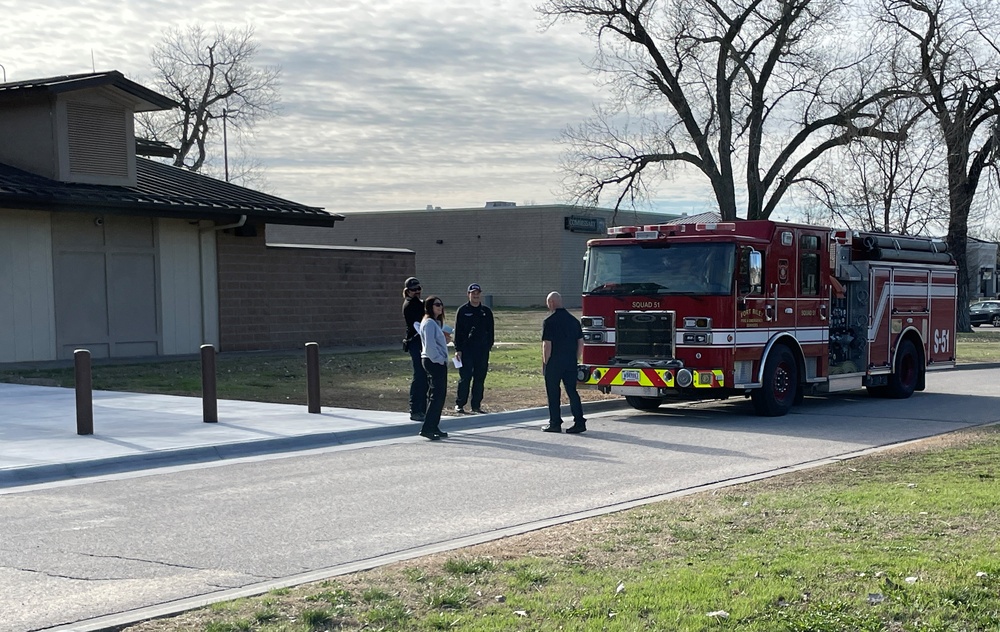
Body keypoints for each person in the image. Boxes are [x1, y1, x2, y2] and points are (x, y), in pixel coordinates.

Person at [540, 291, 586, 434]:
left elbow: (547, 345)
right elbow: (581, 343)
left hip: (554, 361)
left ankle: (555, 423)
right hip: (570, 361)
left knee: (553, 392)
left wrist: (545, 362)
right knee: (572, 391)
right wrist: (576, 358)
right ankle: (579, 422)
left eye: (548, 303)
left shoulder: (549, 321)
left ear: (552, 303)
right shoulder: (574, 321)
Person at [454, 283, 495, 414]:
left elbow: (491, 331)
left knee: (480, 377)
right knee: (465, 377)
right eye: (473, 293)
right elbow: (458, 331)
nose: (475, 295)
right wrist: (458, 348)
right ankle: (460, 404)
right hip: (466, 350)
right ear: (468, 294)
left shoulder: (486, 312)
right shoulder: (463, 310)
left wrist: (488, 345)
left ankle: (476, 405)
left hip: (482, 350)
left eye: (477, 293)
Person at [419, 295, 449, 440]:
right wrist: (440, 359)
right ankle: (427, 427)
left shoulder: (434, 323)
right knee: (436, 396)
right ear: (430, 307)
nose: (440, 306)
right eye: (437, 304)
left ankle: (434, 425)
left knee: (438, 395)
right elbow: (430, 346)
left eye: (441, 304)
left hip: (434, 361)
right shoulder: (429, 323)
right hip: (433, 361)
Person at [402, 277, 427, 422]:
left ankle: (422, 408)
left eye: (419, 289)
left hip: (422, 342)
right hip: (414, 342)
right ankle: (415, 409)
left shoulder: (419, 303)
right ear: (407, 291)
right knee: (419, 375)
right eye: (413, 289)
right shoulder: (410, 305)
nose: (417, 291)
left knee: (424, 375)